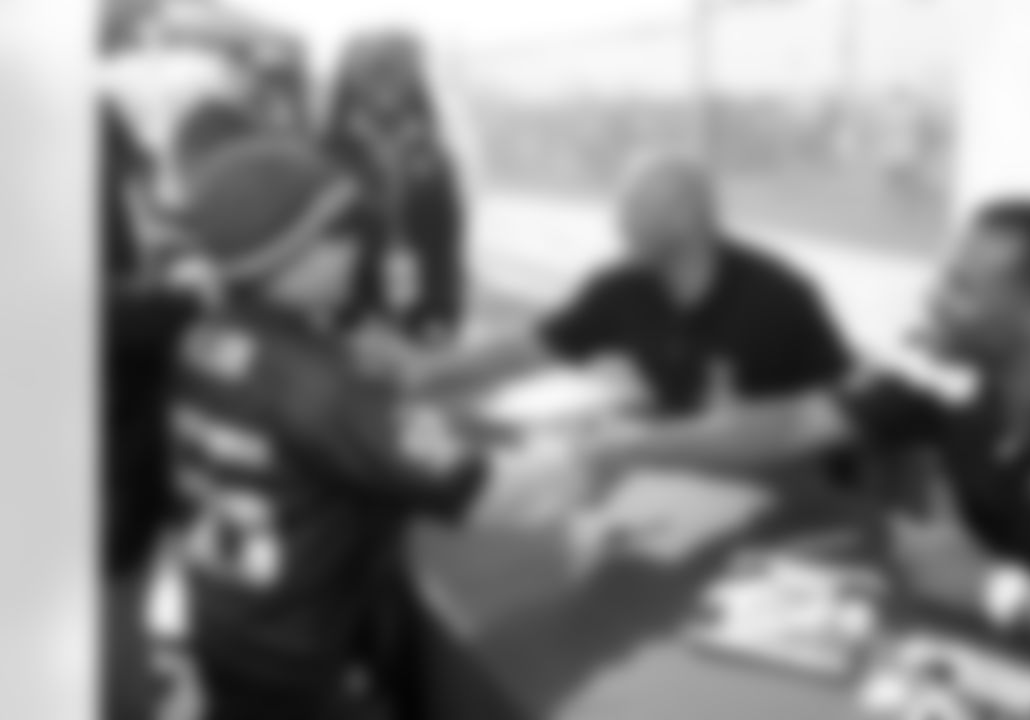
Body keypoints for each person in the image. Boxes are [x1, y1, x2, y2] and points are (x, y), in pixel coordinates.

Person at [582, 198, 1030, 695]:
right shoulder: (948, 357)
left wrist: (998, 588)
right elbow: (796, 423)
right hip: (976, 653)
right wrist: (626, 445)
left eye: (962, 288)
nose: (931, 298)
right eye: (943, 276)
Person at [147, 134, 591, 720]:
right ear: (285, 255)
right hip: (313, 667)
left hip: (229, 630)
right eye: (337, 233)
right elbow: (480, 489)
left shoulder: (201, 337)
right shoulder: (321, 384)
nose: (357, 247)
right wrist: (586, 459)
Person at [362, 153, 850, 424]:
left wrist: (630, 446)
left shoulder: (775, 297)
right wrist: (424, 373)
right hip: (699, 459)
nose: (619, 225)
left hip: (800, 477)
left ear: (688, 215)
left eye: (635, 210)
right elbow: (524, 350)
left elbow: (834, 416)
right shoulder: (622, 287)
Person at [327, 31, 468, 343]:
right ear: (353, 82)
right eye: (375, 74)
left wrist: (443, 313)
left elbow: (445, 241)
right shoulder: (331, 151)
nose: (386, 87)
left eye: (396, 75)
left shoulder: (430, 151)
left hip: (418, 316)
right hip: (349, 318)